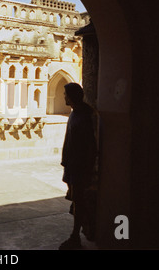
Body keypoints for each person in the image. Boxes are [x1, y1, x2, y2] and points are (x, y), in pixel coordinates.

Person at [59, 83, 97, 250]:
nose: (64, 97)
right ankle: (88, 228)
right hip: (72, 165)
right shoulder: (75, 113)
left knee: (79, 201)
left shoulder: (85, 116)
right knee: (76, 200)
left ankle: (76, 236)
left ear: (72, 96)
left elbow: (90, 146)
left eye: (66, 94)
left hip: (79, 167)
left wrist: (88, 169)